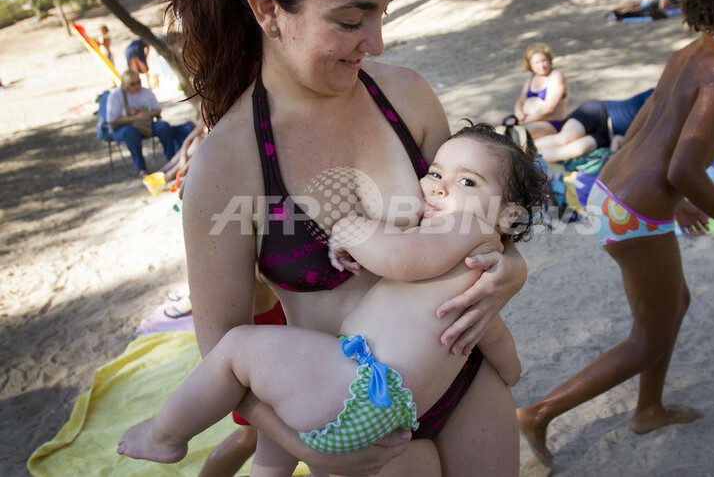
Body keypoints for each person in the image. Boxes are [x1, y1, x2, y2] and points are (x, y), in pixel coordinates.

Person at [165, 0, 528, 475]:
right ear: (268, 10)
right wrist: (303, 445)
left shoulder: (405, 96)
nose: (376, 42)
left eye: (383, 12)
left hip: (466, 380)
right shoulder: (227, 166)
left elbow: (483, 212)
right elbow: (222, 351)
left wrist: (513, 270)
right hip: (354, 416)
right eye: (351, 20)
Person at [516, 0, 714, 471]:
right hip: (638, 211)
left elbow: (645, 132)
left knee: (674, 306)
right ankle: (537, 413)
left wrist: (681, 203)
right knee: (648, 339)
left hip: (612, 191)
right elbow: (683, 170)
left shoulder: (690, 53)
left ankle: (648, 409)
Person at [118, 124, 550, 474]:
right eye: (435, 173)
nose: (438, 188)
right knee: (274, 400)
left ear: (509, 215)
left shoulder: (466, 227)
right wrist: (512, 369)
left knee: (237, 351)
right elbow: (491, 333)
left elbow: (403, 256)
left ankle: (165, 435)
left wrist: (350, 229)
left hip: (357, 387)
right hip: (386, 406)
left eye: (467, 181)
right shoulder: (472, 267)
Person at [534, 88, 654, 162]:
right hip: (600, 113)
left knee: (574, 150)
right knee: (564, 138)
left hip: (607, 137)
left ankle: (530, 160)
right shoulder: (655, 95)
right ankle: (524, 149)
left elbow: (620, 140)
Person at [105, 69, 176, 177]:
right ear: (125, 84)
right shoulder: (116, 96)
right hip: (124, 128)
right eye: (132, 84)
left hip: (145, 124)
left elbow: (157, 110)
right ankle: (141, 167)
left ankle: (172, 159)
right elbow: (111, 120)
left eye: (138, 82)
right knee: (130, 133)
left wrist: (148, 114)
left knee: (163, 126)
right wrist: (135, 118)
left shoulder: (146, 92)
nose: (136, 86)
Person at [509, 42, 569, 139]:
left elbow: (549, 108)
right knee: (496, 122)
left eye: (544, 61)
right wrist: (518, 112)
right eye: (537, 62)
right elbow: (521, 100)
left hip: (551, 122)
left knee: (519, 133)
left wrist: (524, 121)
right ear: (530, 65)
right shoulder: (531, 78)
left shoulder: (556, 76)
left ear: (549, 60)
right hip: (528, 119)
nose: (542, 65)